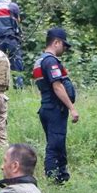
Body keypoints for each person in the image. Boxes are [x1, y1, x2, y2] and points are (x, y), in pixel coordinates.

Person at [32, 27, 79, 184]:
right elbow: (57, 86)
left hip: (47, 107)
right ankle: (55, 180)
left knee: (56, 143)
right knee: (55, 145)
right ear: (56, 42)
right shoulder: (50, 61)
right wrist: (72, 108)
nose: (65, 49)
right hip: (54, 109)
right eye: (64, 45)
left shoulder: (40, 61)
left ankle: (60, 178)